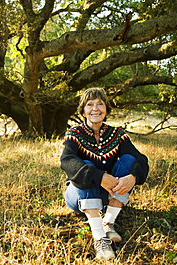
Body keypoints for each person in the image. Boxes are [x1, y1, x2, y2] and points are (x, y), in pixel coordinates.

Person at [60, 87, 149, 261]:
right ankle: (99, 237)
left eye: (100, 104)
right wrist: (100, 176)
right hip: (77, 196)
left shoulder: (117, 135)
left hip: (106, 195)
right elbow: (67, 160)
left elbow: (141, 159)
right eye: (90, 104)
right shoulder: (74, 134)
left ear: (106, 109)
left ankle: (108, 222)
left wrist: (133, 177)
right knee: (85, 165)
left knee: (130, 160)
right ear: (83, 111)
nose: (95, 109)